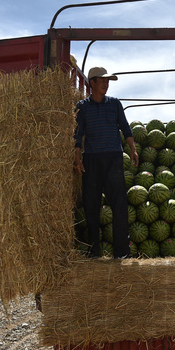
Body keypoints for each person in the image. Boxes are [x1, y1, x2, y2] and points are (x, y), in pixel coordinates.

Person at [74, 67, 139, 258]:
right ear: (92, 83)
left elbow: (125, 127)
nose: (106, 84)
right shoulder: (82, 107)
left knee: (119, 205)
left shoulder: (115, 104)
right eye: (102, 81)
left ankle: (122, 252)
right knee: (91, 206)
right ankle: (94, 250)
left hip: (113, 159)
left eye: (108, 81)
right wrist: (77, 158)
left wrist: (132, 148)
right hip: (92, 160)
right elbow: (78, 134)